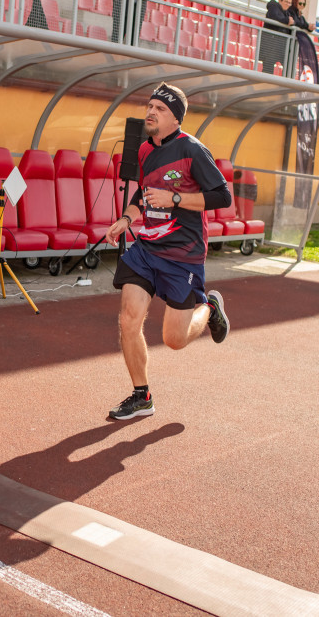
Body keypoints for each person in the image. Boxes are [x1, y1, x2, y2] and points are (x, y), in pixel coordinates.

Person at [103, 83, 232, 420]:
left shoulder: (192, 149)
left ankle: (209, 307)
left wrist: (175, 199)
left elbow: (222, 196)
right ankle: (141, 395)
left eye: (159, 109)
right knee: (129, 318)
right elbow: (143, 196)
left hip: (183, 254)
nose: (151, 112)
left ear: (175, 117)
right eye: (150, 106)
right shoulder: (144, 150)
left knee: (173, 339)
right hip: (147, 248)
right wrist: (126, 218)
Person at [259, 0, 294, 75]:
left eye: (290, 3)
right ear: (280, 1)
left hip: (280, 46)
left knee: (289, 67)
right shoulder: (274, 7)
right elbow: (274, 17)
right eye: (286, 1)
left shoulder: (287, 13)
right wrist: (287, 21)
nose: (288, 4)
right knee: (268, 70)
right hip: (270, 45)